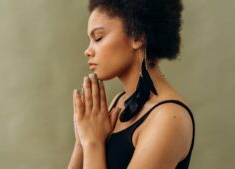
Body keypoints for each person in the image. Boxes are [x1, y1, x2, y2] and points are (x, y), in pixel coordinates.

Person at [68, 0, 195, 168]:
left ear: (137, 36)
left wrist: (92, 144)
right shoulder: (119, 102)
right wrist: (81, 141)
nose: (88, 50)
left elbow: (94, 147)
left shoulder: (169, 118)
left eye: (98, 38)